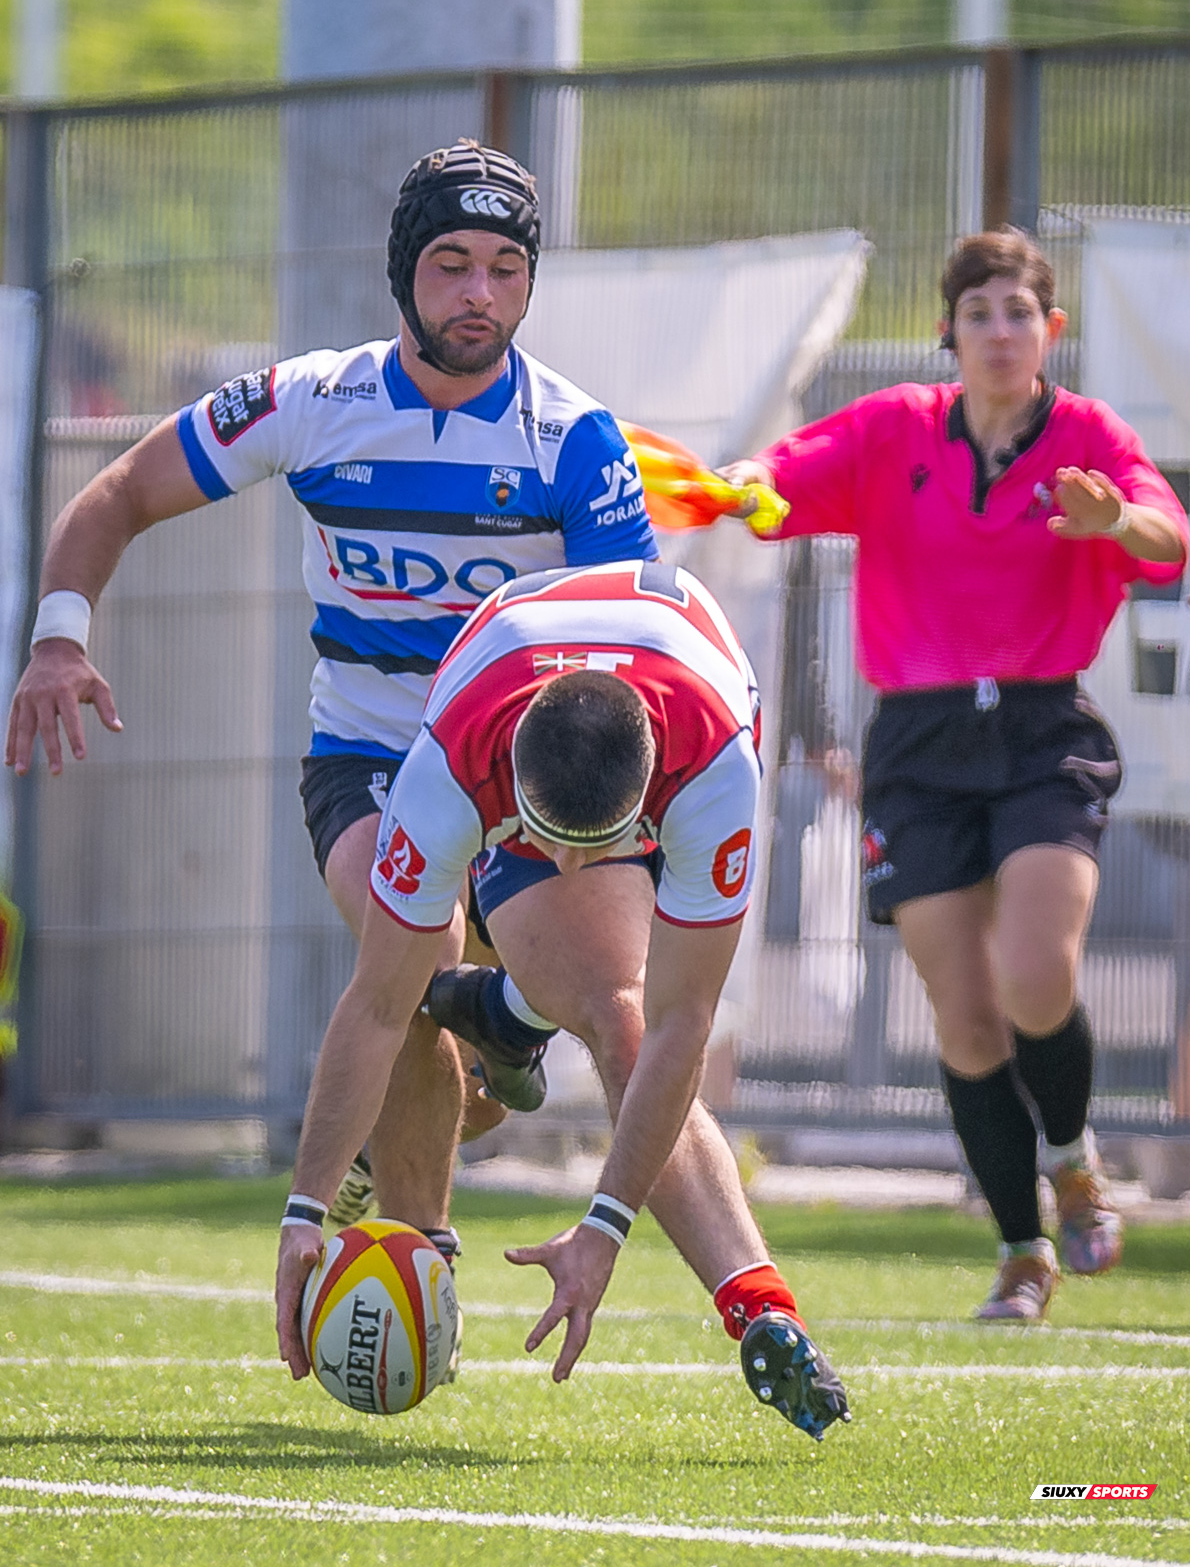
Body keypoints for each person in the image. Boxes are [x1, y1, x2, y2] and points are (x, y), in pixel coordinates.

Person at [5, 138, 659, 1230]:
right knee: (411, 964)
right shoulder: (313, 399)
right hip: (367, 762)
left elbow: (625, 651)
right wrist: (59, 636)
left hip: (519, 780)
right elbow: (119, 491)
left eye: (505, 266)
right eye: (450, 261)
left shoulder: (573, 439)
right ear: (402, 267)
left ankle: (491, 1038)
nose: (478, 293)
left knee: (508, 1063)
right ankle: (418, 1260)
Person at [723, 228, 1189, 1322]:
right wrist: (739, 482)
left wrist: (1111, 518)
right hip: (919, 751)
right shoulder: (895, 430)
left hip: (1039, 736)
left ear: (1049, 331)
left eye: (1017, 312)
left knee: (1035, 973)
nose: (997, 331)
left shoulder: (1082, 437)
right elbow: (784, 478)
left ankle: (1073, 1159)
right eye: (976, 312)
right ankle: (1021, 1249)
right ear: (948, 330)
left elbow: (1165, 539)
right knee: (966, 1016)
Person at [275, 558, 851, 1439]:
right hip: (504, 696)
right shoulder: (450, 767)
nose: (575, 869)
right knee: (415, 984)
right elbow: (375, 1006)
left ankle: (761, 1303)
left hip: (671, 716)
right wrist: (303, 1210)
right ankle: (507, 1010)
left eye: (600, 850)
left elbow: (681, 1026)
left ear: (646, 813)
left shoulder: (714, 771)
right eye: (550, 845)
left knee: (628, 1021)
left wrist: (604, 1228)